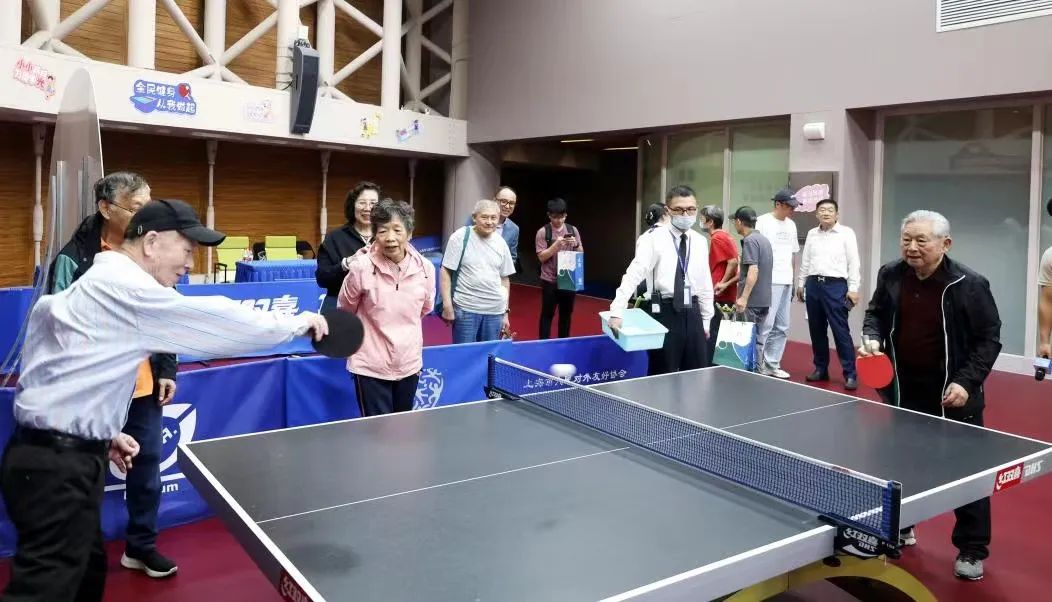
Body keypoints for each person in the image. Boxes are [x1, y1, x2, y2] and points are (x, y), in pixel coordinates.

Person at [1, 199, 329, 601]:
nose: (190, 263)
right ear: (152, 242)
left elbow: (52, 349)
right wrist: (297, 323)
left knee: (85, 573)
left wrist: (98, 430)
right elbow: (216, 320)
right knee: (44, 589)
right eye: (187, 250)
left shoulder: (96, 282)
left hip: (55, 455)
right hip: (57, 467)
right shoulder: (127, 289)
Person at [46, 172, 179, 578]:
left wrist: (166, 367)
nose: (147, 216)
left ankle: (141, 548)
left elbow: (164, 313)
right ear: (106, 208)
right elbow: (59, 330)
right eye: (137, 208)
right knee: (87, 476)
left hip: (142, 385)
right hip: (95, 391)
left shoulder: (152, 252)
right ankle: (81, 558)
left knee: (148, 471)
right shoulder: (74, 258)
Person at [859, 210, 1000, 581]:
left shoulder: (969, 284)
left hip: (953, 393)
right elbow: (875, 314)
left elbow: (989, 339)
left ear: (945, 244)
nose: (912, 247)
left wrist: (966, 382)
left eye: (922, 240)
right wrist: (871, 337)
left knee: (966, 472)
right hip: (904, 391)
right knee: (903, 464)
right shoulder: (891, 274)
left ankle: (972, 548)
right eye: (907, 239)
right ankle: (903, 525)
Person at [338, 200, 435, 416]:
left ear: (409, 233)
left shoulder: (426, 269)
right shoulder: (361, 268)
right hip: (370, 365)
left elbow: (425, 307)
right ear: (375, 235)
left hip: (408, 363)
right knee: (377, 430)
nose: (390, 238)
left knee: (402, 426)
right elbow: (346, 309)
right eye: (382, 231)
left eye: (397, 230)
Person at [609, 185, 714, 375]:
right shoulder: (653, 238)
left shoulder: (700, 241)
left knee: (697, 375)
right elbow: (634, 273)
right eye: (679, 209)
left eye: (690, 209)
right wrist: (617, 310)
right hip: (664, 312)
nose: (685, 214)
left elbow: (705, 282)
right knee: (662, 373)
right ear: (668, 210)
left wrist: (706, 319)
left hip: (693, 313)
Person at [796, 198, 861, 390]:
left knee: (840, 331)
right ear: (817, 214)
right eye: (822, 210)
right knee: (816, 330)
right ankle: (820, 368)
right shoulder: (812, 234)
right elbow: (806, 261)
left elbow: (854, 262)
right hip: (813, 284)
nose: (826, 213)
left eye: (830, 210)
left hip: (836, 286)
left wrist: (853, 288)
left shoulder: (846, 233)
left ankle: (850, 374)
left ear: (837, 214)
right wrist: (801, 284)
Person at [441, 199, 515, 343]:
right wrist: (447, 305)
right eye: (484, 217)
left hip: (495, 311)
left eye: (493, 218)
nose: (489, 222)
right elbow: (446, 271)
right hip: (466, 309)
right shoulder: (460, 237)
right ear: (474, 218)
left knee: (488, 354)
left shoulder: (501, 243)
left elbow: (505, 279)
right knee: (464, 354)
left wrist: (505, 313)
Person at [754, 188, 799, 378]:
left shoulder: (792, 225)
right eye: (789, 206)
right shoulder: (762, 222)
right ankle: (758, 364)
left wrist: (793, 280)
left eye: (794, 207)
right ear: (778, 204)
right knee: (766, 324)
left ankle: (772, 364)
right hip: (769, 280)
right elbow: (754, 251)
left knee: (782, 325)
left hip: (786, 280)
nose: (792, 210)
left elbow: (792, 254)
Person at [316, 182, 382, 312]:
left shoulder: (386, 237)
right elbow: (322, 278)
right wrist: (345, 263)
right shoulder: (334, 238)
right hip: (339, 304)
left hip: (377, 307)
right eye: (362, 203)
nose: (368, 208)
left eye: (373, 203)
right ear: (353, 206)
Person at [535, 198, 583, 339]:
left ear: (565, 215)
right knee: (547, 314)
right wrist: (556, 246)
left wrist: (575, 245)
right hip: (549, 280)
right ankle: (543, 344)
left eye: (562, 217)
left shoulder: (572, 230)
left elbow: (581, 253)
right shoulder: (543, 232)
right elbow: (541, 257)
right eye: (555, 217)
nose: (559, 220)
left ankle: (564, 343)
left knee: (566, 315)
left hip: (568, 277)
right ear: (549, 215)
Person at [732, 206, 773, 369]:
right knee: (757, 340)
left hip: (752, 301)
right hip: (764, 300)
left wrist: (743, 298)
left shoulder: (750, 240)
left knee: (746, 341)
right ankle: (757, 371)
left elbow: (753, 270)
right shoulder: (764, 240)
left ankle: (749, 373)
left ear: (739, 222)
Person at [699, 205, 739, 361]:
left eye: (703, 219)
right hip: (721, 292)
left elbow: (733, 261)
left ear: (710, 222)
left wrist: (722, 283)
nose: (700, 221)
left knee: (713, 330)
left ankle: (710, 364)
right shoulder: (724, 236)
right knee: (716, 329)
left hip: (719, 294)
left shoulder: (718, 238)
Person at [465, 185, 520, 268]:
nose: (507, 206)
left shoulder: (514, 229)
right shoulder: (477, 219)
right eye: (503, 201)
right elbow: (464, 244)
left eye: (511, 203)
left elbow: (512, 258)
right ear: (494, 200)